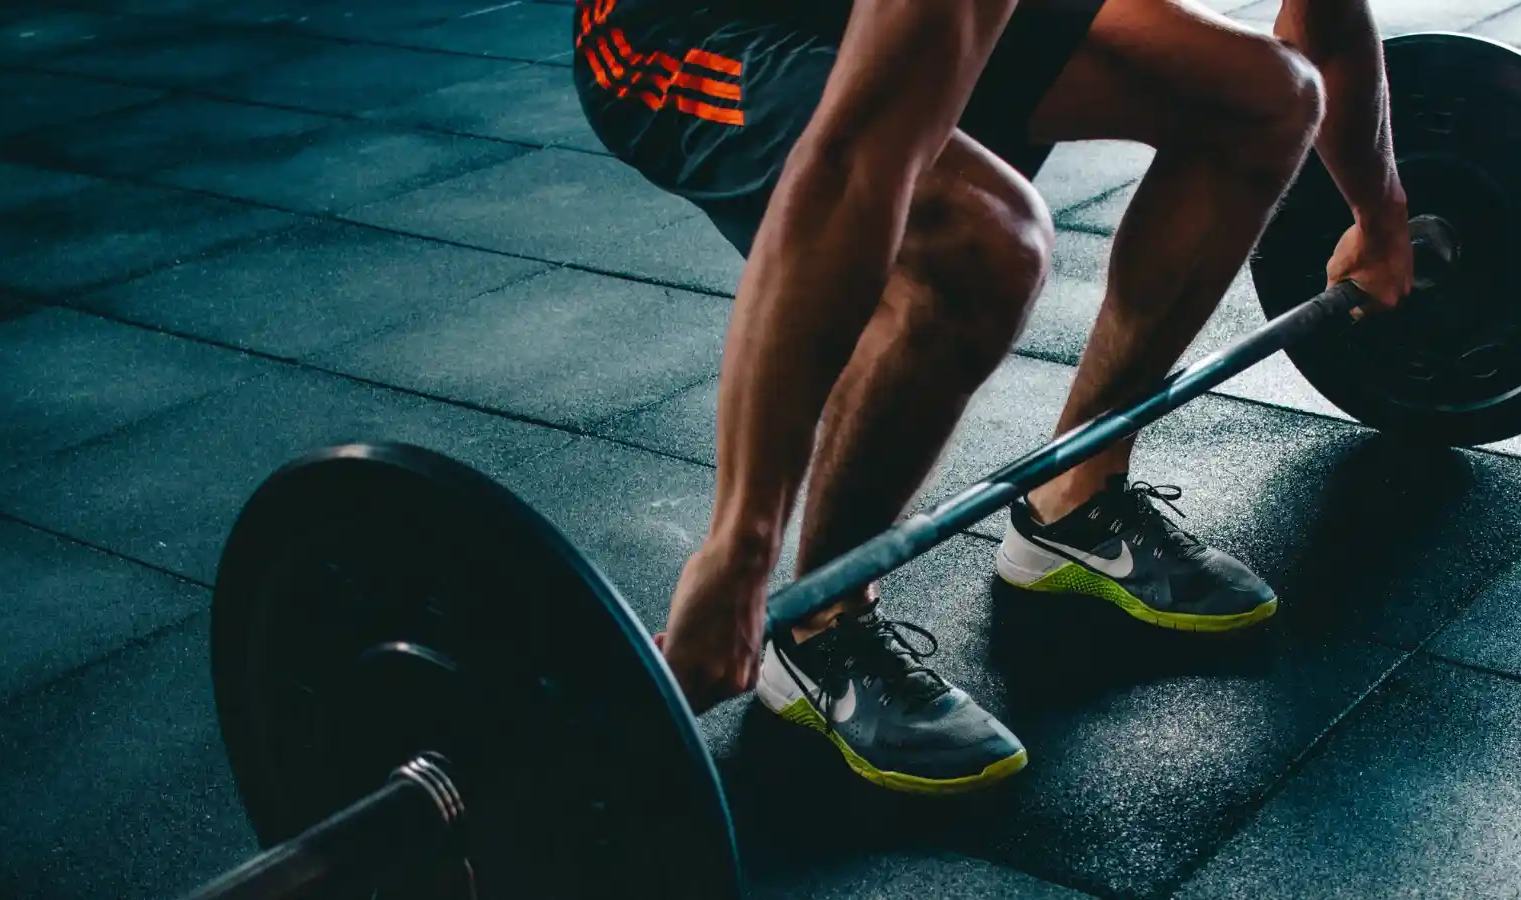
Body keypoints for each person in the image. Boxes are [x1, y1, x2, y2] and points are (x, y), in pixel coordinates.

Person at [572, 0, 1412, 794]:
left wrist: (1380, 216)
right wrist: (740, 547)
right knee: (984, 241)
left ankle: (1073, 499)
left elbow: (1325, 29)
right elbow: (854, 164)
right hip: (684, 28)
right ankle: (821, 626)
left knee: (1266, 98)